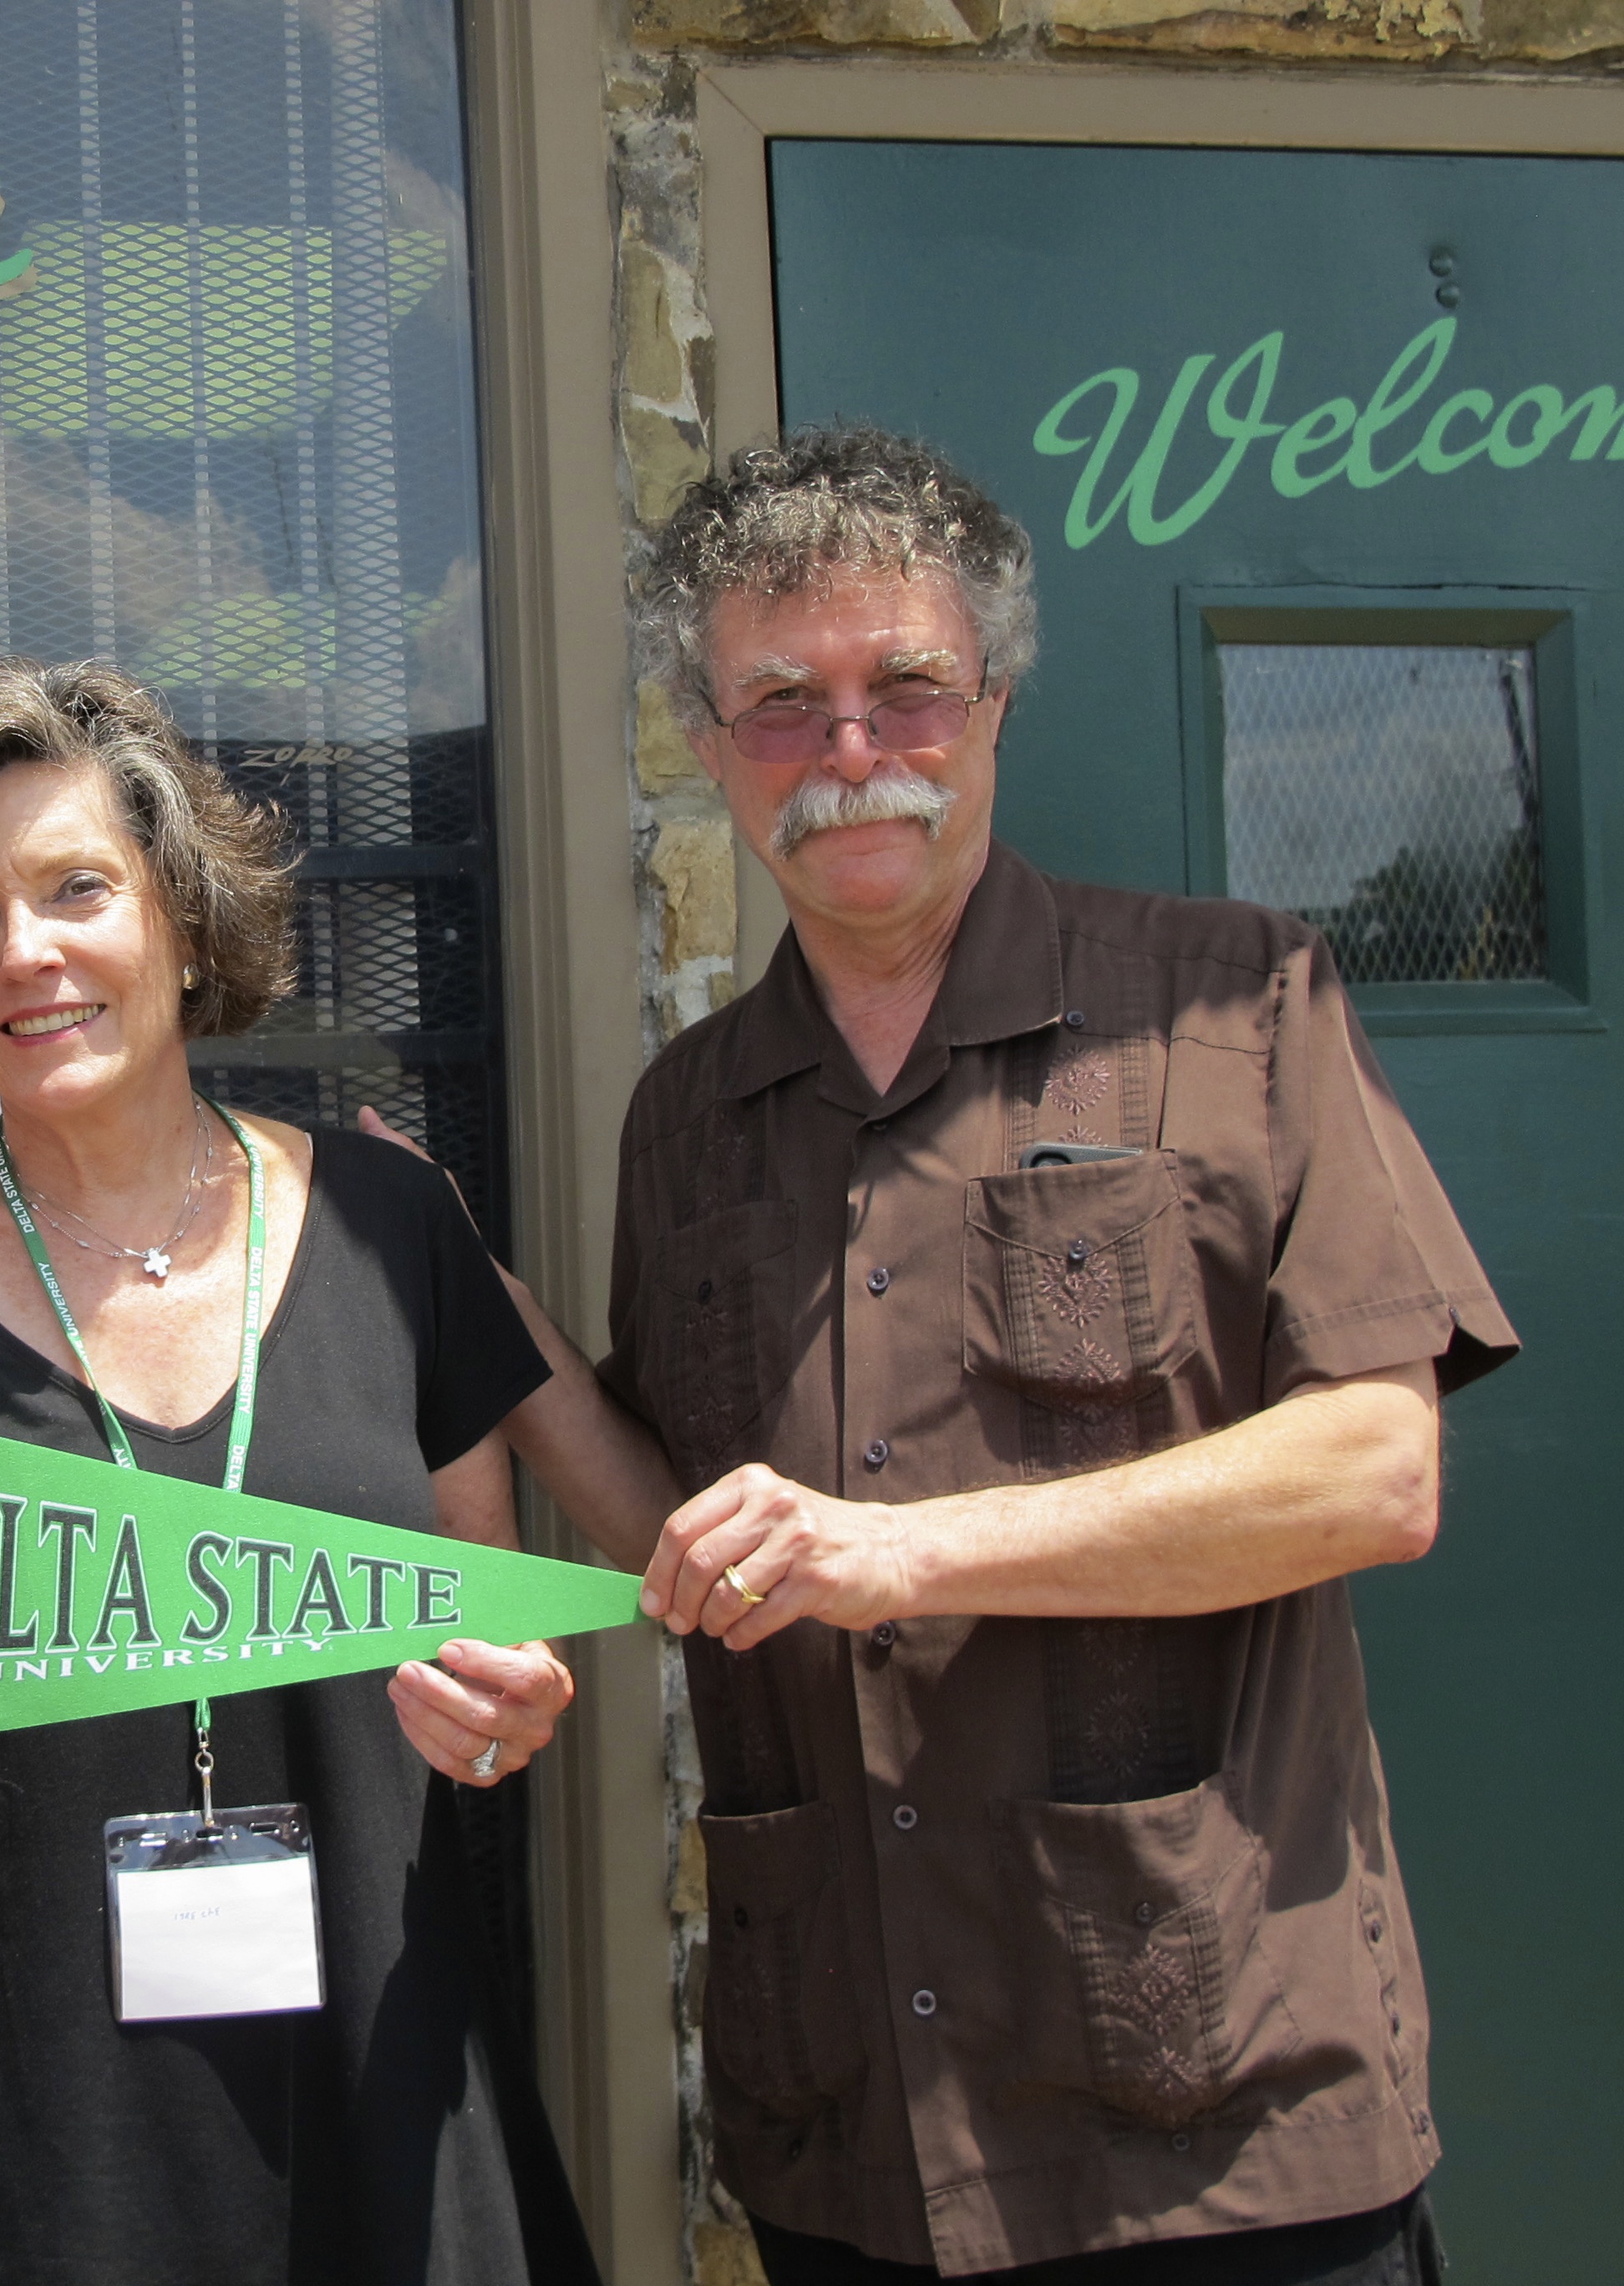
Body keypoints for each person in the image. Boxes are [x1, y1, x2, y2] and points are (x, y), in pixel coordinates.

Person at [492, 427, 1513, 2283]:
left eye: (909, 687)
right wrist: (478, 1317)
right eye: (783, 706)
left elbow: (1376, 1469)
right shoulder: (688, 1117)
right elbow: (697, 1546)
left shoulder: (1235, 1002)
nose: (852, 752)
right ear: (711, 752)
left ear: (998, 702)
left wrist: (908, 1553)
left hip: (1219, 2123)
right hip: (856, 2131)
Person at [0, 659, 599, 2286]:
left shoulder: (391, 1227)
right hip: (4, 2150)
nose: (25, 953)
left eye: (77, 889)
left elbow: (493, 1654)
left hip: (382, 2121)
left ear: (185, 920)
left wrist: (509, 1710)